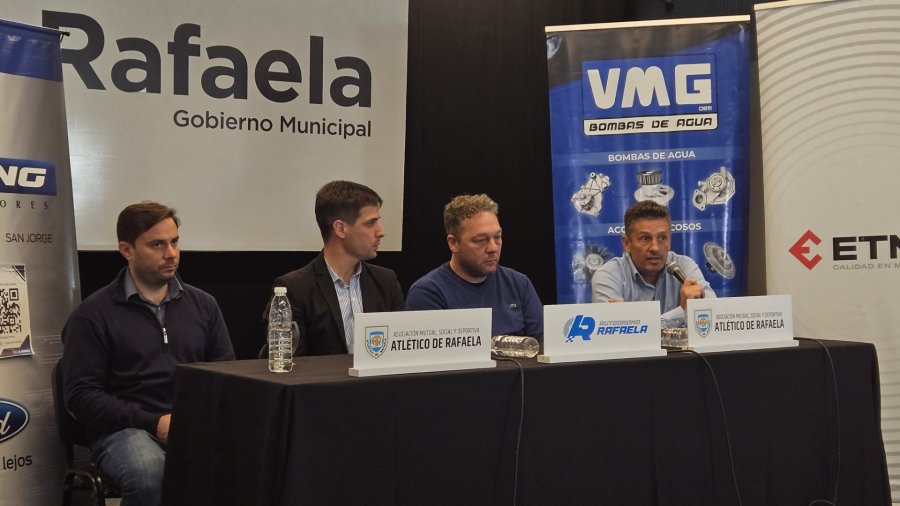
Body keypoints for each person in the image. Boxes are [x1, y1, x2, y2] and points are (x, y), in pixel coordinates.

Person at [61, 202, 234, 506]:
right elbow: (81, 395)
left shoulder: (203, 305)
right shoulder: (93, 315)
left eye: (175, 242)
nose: (171, 253)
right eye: (157, 245)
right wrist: (155, 422)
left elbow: (226, 374)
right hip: (123, 429)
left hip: (192, 425)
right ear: (126, 250)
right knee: (150, 472)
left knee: (253, 459)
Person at [269, 180, 404, 355]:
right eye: (370, 223)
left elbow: (400, 352)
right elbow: (293, 363)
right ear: (340, 229)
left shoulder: (386, 282)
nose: (381, 232)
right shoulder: (295, 289)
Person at [405, 194, 543, 340]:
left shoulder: (519, 284)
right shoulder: (429, 293)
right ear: (453, 243)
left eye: (497, 237)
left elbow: (543, 346)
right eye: (481, 240)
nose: (493, 248)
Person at [592, 200, 715, 327]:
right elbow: (612, 330)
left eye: (662, 238)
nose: (655, 248)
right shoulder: (608, 275)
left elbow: (713, 314)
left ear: (669, 241)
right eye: (645, 238)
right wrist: (682, 311)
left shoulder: (684, 266)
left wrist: (631, 321)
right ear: (627, 243)